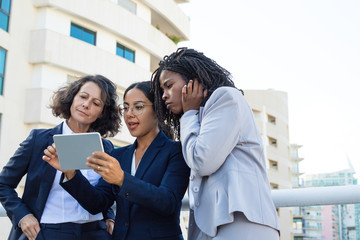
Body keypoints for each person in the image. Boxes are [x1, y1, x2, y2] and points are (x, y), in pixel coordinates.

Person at [151, 47, 280, 240]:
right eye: (162, 90)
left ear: (193, 80)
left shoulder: (226, 98)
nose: (164, 95)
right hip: (213, 227)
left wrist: (188, 114)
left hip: (242, 223)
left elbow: (202, 161)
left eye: (169, 85)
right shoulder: (197, 120)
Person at [43, 81, 190, 240]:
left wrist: (121, 179)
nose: (129, 114)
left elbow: (168, 202)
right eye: (126, 107)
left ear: (157, 111)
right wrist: (70, 173)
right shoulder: (119, 155)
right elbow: (96, 204)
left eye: (138, 107)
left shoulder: (176, 151)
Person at [0, 75, 121, 240]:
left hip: (96, 233)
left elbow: (102, 196)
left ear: (102, 113)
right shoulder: (39, 139)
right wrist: (22, 216)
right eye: (83, 97)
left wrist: (109, 216)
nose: (86, 105)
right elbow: (3, 184)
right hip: (48, 232)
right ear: (72, 98)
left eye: (96, 103)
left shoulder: (106, 147)